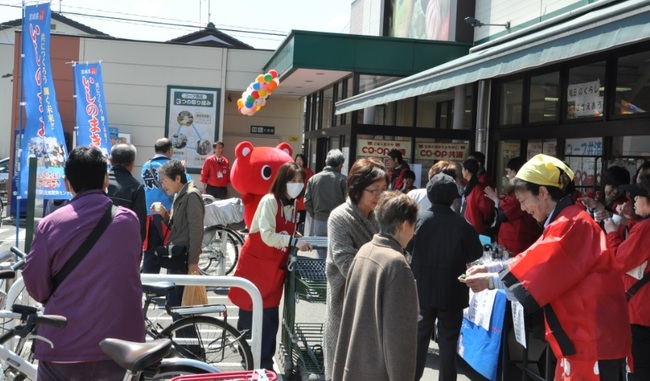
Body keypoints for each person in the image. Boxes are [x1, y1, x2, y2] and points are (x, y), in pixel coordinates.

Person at [465, 154, 631, 381]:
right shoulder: (565, 221)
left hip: (591, 340)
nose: (523, 209)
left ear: (543, 193)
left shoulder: (571, 224)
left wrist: (491, 279)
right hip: (583, 338)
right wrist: (491, 269)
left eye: (523, 200)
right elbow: (532, 259)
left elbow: (539, 267)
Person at [23, 146, 144, 381]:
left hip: (64, 341)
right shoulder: (128, 220)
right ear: (106, 179)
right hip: (119, 345)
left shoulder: (51, 224)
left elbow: (36, 286)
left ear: (67, 182)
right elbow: (130, 266)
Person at [228, 162, 313, 370]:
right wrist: (293, 241)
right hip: (256, 265)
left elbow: (282, 231)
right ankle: (249, 361)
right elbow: (266, 235)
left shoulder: (292, 204)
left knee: (269, 318)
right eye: (293, 181)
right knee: (250, 313)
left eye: (300, 181)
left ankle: (264, 365)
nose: (297, 185)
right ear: (282, 181)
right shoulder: (270, 201)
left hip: (274, 268)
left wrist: (294, 236)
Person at [332, 191, 419, 381]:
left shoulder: (365, 250)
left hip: (354, 366)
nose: (414, 232)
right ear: (404, 225)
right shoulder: (397, 264)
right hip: (378, 373)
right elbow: (399, 338)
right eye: (414, 225)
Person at [408, 173, 483, 381]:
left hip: (421, 288)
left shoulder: (418, 220)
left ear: (429, 194)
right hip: (452, 290)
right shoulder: (462, 224)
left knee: (418, 340)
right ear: (453, 198)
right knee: (448, 344)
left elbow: (408, 244)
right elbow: (475, 253)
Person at [323, 157, 389, 381]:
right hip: (347, 305)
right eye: (374, 190)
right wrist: (385, 276)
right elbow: (347, 264)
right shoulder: (340, 217)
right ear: (357, 188)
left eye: (383, 189)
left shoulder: (381, 216)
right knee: (343, 370)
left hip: (377, 307)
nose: (379, 196)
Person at [604, 175, 650, 381]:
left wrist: (612, 233)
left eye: (638, 197)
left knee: (639, 370)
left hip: (641, 313)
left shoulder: (646, 228)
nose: (632, 202)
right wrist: (632, 220)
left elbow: (618, 261)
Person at [150, 160, 204, 307]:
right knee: (174, 304)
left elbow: (196, 231)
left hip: (184, 259)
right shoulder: (179, 195)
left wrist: (193, 263)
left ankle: (184, 331)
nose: (163, 185)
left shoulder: (191, 195)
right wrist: (163, 214)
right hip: (176, 256)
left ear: (178, 178)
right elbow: (176, 228)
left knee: (179, 307)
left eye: (165, 181)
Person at [483, 157, 542, 254]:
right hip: (517, 235)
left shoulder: (520, 190)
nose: (508, 175)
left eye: (509, 171)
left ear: (514, 172)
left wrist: (496, 200)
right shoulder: (523, 189)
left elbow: (505, 214)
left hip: (517, 237)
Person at [107, 143, 147, 242]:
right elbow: (140, 222)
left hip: (95, 245)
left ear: (111, 161)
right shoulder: (136, 187)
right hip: (122, 243)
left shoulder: (98, 181)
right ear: (132, 163)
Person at [304, 149, 347, 236]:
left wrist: (315, 215)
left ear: (326, 162)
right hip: (338, 221)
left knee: (321, 248)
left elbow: (307, 201)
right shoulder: (344, 180)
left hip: (319, 221)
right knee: (337, 248)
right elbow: (349, 202)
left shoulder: (313, 179)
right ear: (339, 165)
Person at [461, 158, 495, 236]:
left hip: (475, 226)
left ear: (466, 171)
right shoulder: (471, 185)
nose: (461, 172)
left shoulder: (478, 188)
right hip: (469, 224)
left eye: (463, 169)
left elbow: (486, 210)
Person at [293, 153, 314, 231]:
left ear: (304, 161)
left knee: (302, 219)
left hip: (304, 198)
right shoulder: (292, 171)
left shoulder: (308, 171)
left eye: (300, 160)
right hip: (294, 198)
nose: (299, 162)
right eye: (297, 160)